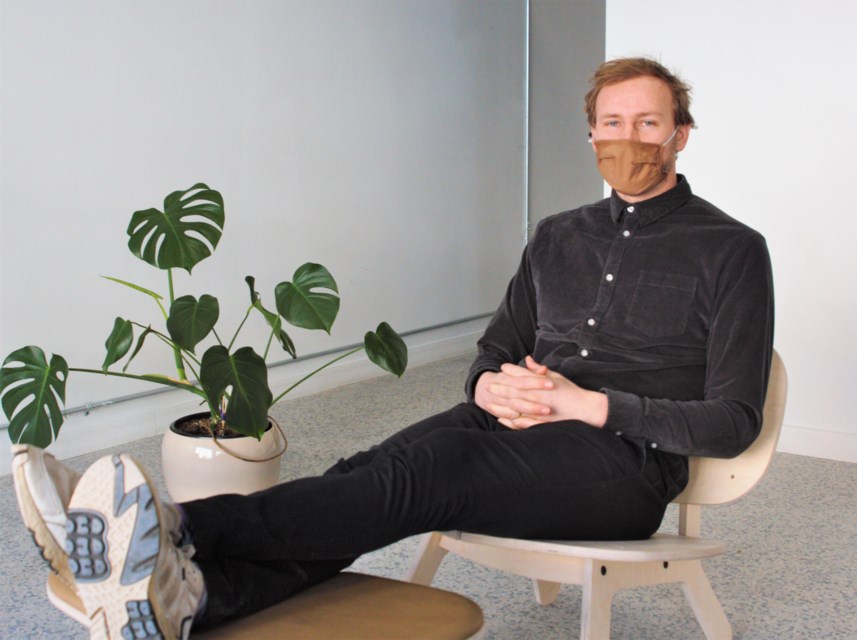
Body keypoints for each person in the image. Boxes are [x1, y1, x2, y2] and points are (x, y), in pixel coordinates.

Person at [12, 57, 773, 639]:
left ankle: (172, 526)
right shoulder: (557, 236)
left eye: (648, 123)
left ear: (680, 132)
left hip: (621, 467)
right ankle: (197, 601)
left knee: (432, 471)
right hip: (508, 425)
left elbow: (734, 419)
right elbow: (495, 349)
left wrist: (587, 404)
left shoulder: (733, 251)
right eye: (613, 123)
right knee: (371, 472)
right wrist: (485, 388)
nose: (629, 138)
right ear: (592, 134)